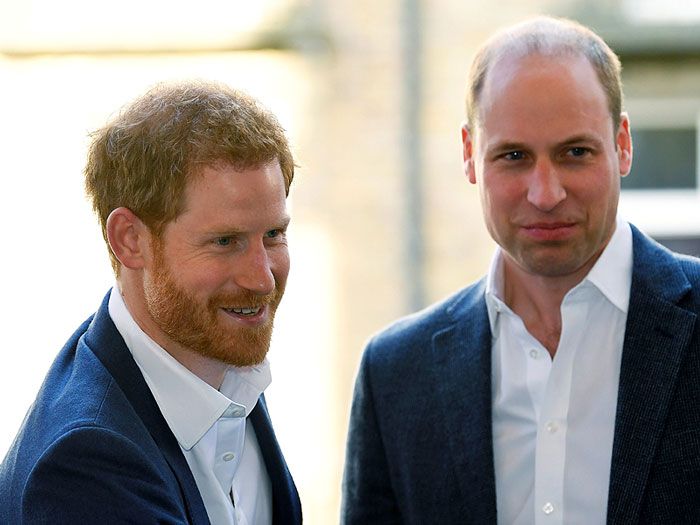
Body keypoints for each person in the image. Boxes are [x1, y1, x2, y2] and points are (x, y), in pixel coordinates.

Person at [342, 16, 700, 525]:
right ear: (470, 155)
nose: (546, 194)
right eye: (513, 156)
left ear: (622, 144)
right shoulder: (396, 374)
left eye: (575, 153)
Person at [0, 81, 302, 524]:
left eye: (273, 234)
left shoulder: (221, 364)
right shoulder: (82, 467)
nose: (261, 277)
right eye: (225, 241)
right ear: (130, 240)